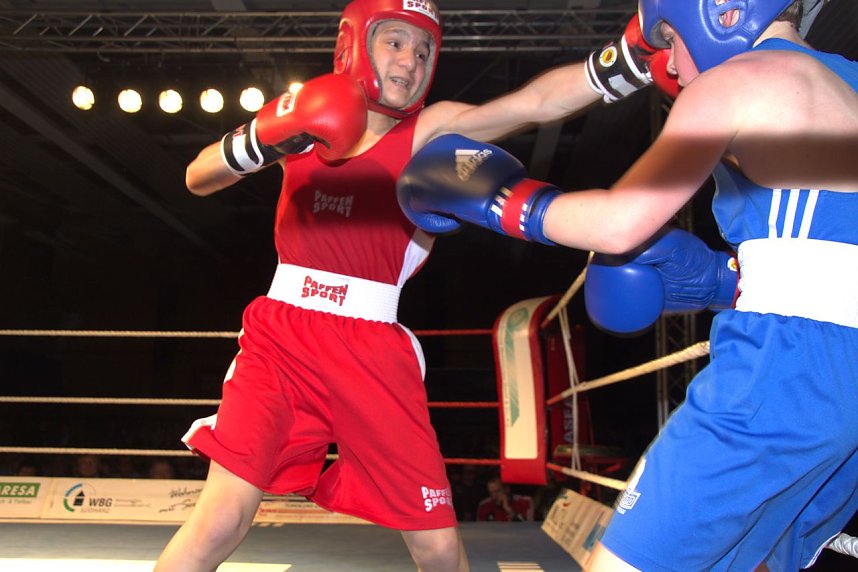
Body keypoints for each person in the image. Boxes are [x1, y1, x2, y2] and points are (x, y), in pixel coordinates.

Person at [153, 1, 678, 570]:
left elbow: (534, 104)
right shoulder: (302, 120)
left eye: (424, 49)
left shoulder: (430, 131)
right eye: (396, 42)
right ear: (354, 43)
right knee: (221, 517)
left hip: (371, 348)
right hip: (280, 337)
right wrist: (264, 137)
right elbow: (196, 176)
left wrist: (628, 60)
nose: (410, 60)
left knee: (435, 544)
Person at [396, 0, 858, 570]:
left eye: (671, 37)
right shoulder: (846, 81)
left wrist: (498, 199)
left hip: (785, 370)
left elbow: (619, 224)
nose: (670, 65)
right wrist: (723, 279)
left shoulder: (740, 79)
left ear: (724, 15)